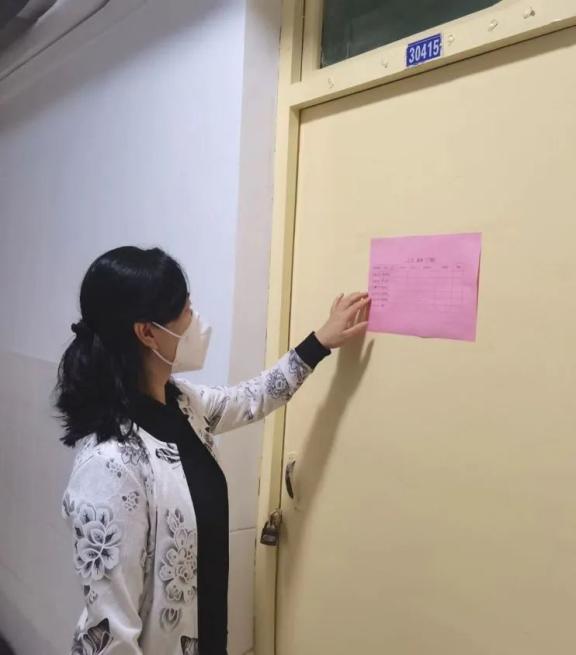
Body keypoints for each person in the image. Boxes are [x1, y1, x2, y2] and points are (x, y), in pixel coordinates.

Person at [55, 246, 370, 655]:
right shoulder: (109, 465)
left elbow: (253, 397)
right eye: (185, 311)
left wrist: (320, 342)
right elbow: (110, 635)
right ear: (147, 333)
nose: (195, 321)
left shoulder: (183, 404)